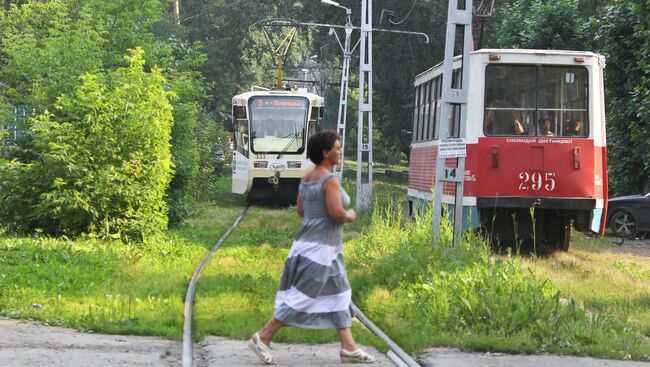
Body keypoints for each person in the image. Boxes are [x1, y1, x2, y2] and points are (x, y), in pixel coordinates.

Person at [248, 131, 376, 365]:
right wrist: (349, 214)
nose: (340, 151)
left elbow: (301, 211)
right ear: (326, 153)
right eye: (337, 148)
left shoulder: (307, 178)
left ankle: (348, 347)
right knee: (303, 297)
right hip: (320, 250)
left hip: (318, 246)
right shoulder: (330, 180)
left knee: (340, 294)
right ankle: (263, 336)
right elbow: (336, 213)